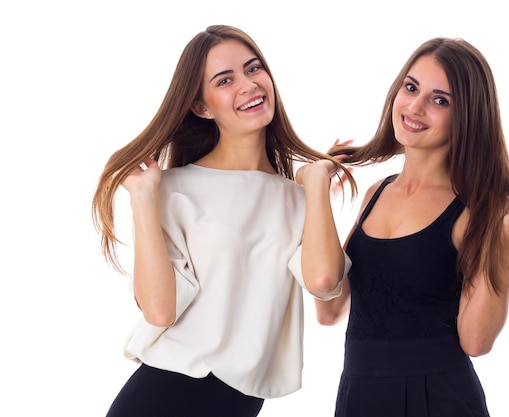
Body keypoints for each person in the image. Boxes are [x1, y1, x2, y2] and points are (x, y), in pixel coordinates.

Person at [91, 24, 356, 417]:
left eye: (253, 69)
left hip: (236, 404)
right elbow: (160, 311)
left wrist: (316, 188)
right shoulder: (173, 190)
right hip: (162, 395)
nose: (248, 85)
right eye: (225, 80)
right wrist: (144, 200)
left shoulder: (299, 200)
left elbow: (325, 290)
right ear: (202, 106)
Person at [318, 37, 509, 416]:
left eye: (440, 100)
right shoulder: (374, 193)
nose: (414, 107)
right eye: (411, 87)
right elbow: (329, 310)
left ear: (467, 115)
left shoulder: (475, 210)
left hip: (438, 399)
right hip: (358, 394)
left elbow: (476, 340)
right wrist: (315, 197)